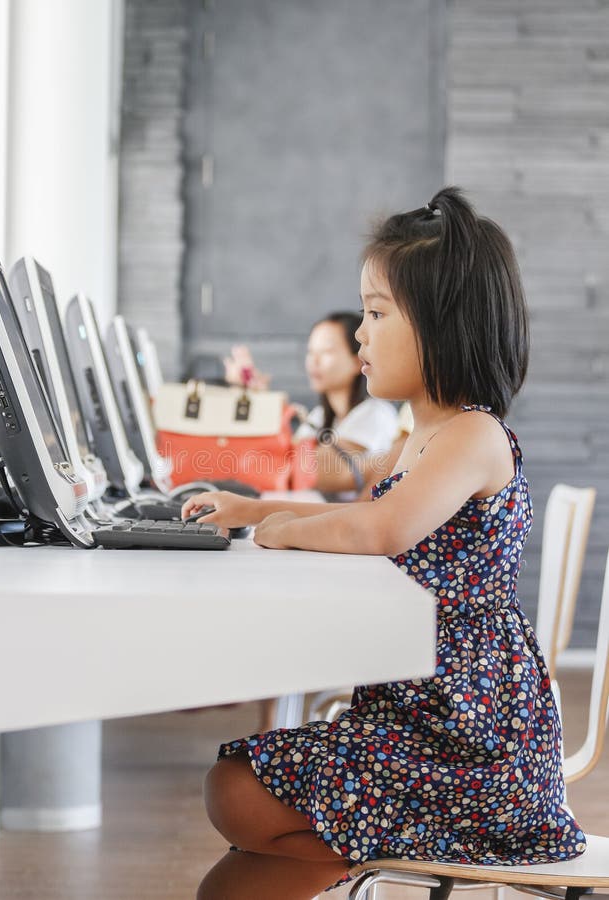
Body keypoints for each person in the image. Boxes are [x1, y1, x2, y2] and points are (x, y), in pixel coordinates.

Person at [184, 187, 587, 900]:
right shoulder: (419, 437)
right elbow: (365, 504)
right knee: (237, 862)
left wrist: (279, 532)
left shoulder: (472, 434)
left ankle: (352, 844)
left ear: (442, 325)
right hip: (426, 723)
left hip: (474, 751)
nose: (360, 336)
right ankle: (346, 847)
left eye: (374, 315)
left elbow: (381, 528)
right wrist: (254, 507)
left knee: (238, 790)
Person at [224, 312, 402, 498]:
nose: (313, 362)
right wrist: (260, 403)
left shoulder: (375, 413)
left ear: (358, 360)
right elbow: (282, 458)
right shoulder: (318, 416)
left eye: (326, 352)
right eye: (310, 352)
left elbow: (311, 468)